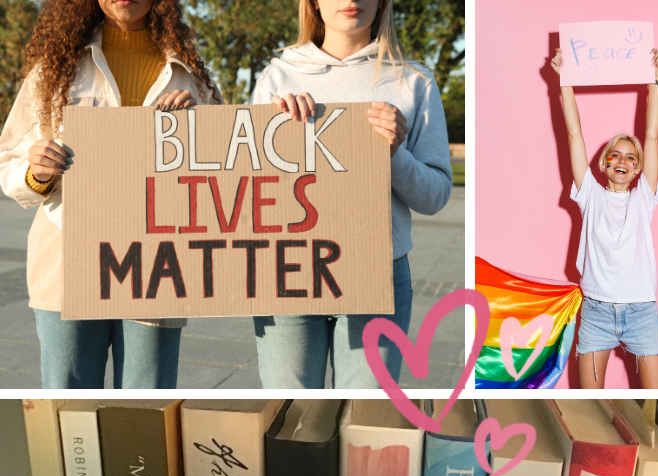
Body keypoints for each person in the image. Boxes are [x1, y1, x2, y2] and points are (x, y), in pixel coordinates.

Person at [0, 0, 222, 389]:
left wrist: (198, 132)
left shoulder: (191, 75)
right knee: (68, 399)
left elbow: (228, 166)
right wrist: (35, 173)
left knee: (147, 396)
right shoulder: (54, 68)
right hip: (67, 258)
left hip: (159, 259)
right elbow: (7, 162)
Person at [250, 0, 453, 389]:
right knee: (293, 411)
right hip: (287, 268)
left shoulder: (413, 80)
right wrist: (274, 134)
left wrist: (394, 155)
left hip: (378, 271)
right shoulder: (277, 77)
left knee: (363, 414)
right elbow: (248, 190)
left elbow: (435, 197)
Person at [548, 47, 658, 389]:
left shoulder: (644, 197)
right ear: (603, 163)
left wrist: (655, 83)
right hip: (597, 312)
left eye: (631, 158)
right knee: (588, 403)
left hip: (642, 312)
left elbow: (652, 136)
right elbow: (574, 133)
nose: (622, 160)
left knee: (657, 404)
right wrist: (565, 81)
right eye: (614, 154)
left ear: (639, 169)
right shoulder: (590, 194)